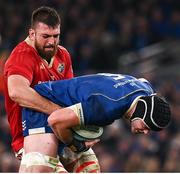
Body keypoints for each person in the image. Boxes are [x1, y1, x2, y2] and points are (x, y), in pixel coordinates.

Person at [4, 6, 100, 173]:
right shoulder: (21, 56)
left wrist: (83, 127)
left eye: (56, 36)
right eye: (45, 36)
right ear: (32, 33)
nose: (51, 42)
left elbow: (71, 96)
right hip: (32, 136)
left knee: (91, 168)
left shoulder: (63, 55)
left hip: (61, 130)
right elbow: (17, 92)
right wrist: (59, 113)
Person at [22, 73, 171, 163]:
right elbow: (55, 120)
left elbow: (143, 80)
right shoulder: (107, 106)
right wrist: (75, 145)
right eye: (147, 126)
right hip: (43, 106)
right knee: (42, 168)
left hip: (67, 111)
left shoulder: (145, 89)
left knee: (89, 169)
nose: (145, 132)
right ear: (142, 113)